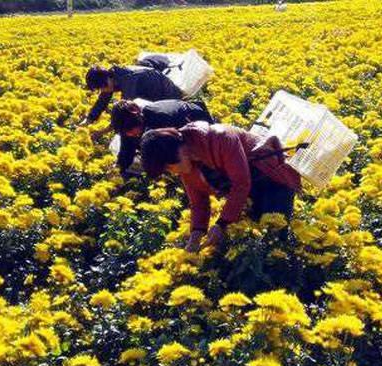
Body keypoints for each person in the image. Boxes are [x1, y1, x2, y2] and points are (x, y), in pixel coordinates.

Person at [139, 121, 301, 252]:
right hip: (249, 192)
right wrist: (196, 235)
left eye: (169, 167)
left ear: (181, 151)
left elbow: (240, 183)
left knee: (274, 240)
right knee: (253, 241)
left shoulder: (221, 138)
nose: (172, 172)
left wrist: (221, 224)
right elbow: (198, 203)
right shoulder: (186, 165)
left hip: (273, 181)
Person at [110, 98, 214, 177]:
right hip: (177, 127)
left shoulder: (161, 118)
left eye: (130, 131)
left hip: (193, 120)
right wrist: (118, 169)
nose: (130, 135)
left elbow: (178, 149)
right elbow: (126, 150)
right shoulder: (128, 126)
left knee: (201, 164)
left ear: (137, 119)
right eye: (126, 132)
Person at [80, 64, 183, 127]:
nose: (102, 90)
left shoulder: (130, 82)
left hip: (170, 98)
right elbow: (102, 100)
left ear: (106, 80)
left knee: (136, 121)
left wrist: (103, 131)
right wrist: (89, 119)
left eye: (101, 87)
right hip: (154, 93)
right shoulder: (114, 75)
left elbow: (126, 112)